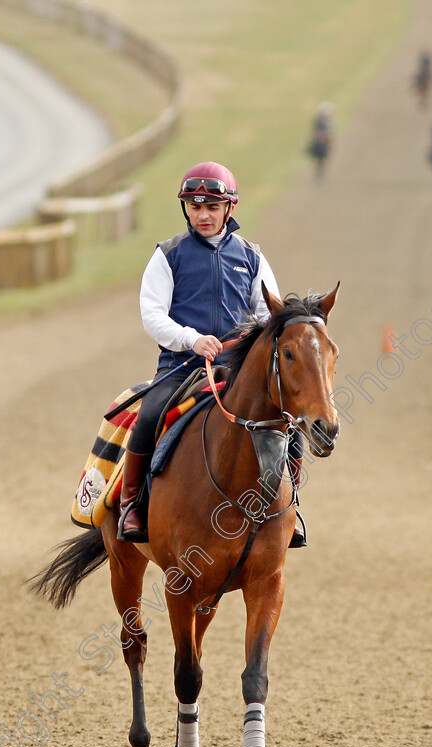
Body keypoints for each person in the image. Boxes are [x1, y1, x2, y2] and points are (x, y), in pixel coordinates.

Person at [118, 161, 307, 547]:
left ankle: (291, 507)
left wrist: (248, 344)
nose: (202, 215)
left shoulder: (252, 256)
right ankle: (131, 504)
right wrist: (192, 339)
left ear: (229, 209)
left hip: (239, 368)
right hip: (182, 366)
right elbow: (152, 315)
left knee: (292, 421)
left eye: (211, 207)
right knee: (150, 413)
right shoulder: (168, 255)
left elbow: (268, 314)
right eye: (194, 207)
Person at [307, 102, 334, 180]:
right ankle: (319, 174)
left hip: (323, 141)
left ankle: (320, 174)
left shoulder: (324, 120)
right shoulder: (322, 120)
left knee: (321, 160)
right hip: (321, 141)